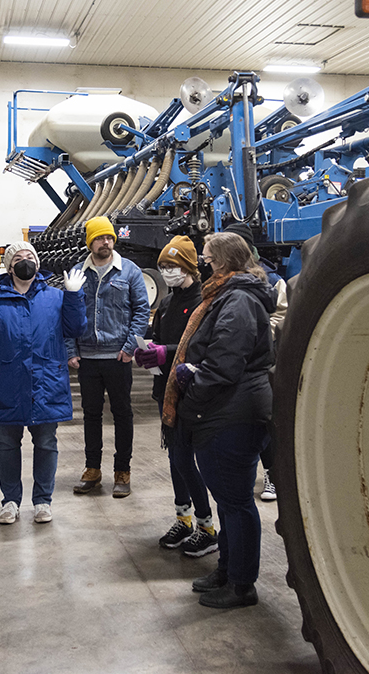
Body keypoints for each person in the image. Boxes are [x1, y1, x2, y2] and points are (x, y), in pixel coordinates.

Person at [166, 231, 275, 609]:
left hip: (233, 413)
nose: (203, 265)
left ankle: (242, 585)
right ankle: (227, 570)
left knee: (237, 503)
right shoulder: (228, 295)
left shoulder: (239, 300)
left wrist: (190, 387)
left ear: (226, 261)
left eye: (208, 259)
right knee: (229, 501)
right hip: (228, 409)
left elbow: (224, 364)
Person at [0, 241, 86, 525]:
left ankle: (42, 501)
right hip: (5, 382)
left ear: (38, 264)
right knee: (6, 443)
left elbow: (76, 328)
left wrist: (75, 297)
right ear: (8, 266)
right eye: (18, 257)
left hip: (45, 381)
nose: (25, 261)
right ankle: (10, 501)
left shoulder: (55, 297)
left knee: (46, 442)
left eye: (30, 256)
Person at [134, 235, 218, 557]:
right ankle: (183, 519)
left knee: (185, 459)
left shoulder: (201, 301)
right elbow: (158, 337)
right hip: (164, 389)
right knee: (174, 459)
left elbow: (196, 346)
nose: (167, 272)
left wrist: (163, 353)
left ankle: (207, 526)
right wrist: (148, 350)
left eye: (172, 266)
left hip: (188, 389)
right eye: (163, 267)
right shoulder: (169, 301)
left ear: (188, 266)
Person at [67, 216, 150, 498]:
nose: (106, 242)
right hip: (88, 358)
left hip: (118, 357)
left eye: (110, 238)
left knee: (122, 414)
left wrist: (130, 348)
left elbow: (141, 312)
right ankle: (92, 469)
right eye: (101, 238)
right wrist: (71, 350)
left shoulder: (129, 271)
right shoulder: (77, 273)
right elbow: (67, 313)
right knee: (91, 415)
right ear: (90, 241)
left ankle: (122, 471)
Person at [221, 221, 286, 502]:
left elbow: (281, 317)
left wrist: (252, 335)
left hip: (262, 361)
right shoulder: (222, 279)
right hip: (234, 362)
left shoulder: (271, 280)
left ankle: (273, 474)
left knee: (264, 420)